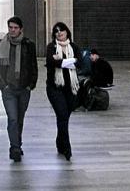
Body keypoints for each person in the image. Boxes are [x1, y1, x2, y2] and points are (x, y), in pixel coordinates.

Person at [0, 16, 38, 163]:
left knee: (20, 119)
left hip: (24, 89)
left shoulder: (29, 45)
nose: (12, 30)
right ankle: (15, 147)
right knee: (13, 118)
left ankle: (17, 143)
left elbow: (33, 67)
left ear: (21, 29)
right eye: (10, 27)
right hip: (9, 89)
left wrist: (31, 85)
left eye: (15, 28)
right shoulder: (0, 46)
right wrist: (3, 85)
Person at [44, 21, 81, 161]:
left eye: (62, 30)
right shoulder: (51, 47)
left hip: (71, 88)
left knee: (64, 117)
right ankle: (67, 148)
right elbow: (50, 62)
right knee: (62, 114)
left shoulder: (74, 47)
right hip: (55, 87)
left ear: (67, 32)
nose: (59, 33)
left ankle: (60, 142)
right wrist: (69, 62)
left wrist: (61, 62)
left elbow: (81, 62)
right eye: (56, 31)